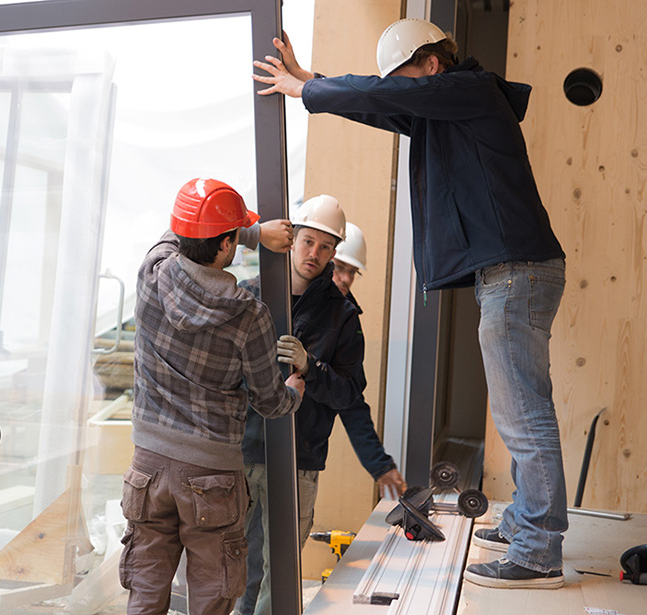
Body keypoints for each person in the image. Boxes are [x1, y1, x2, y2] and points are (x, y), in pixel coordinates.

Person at [252, 19, 567, 589]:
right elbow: (380, 106)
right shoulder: (448, 109)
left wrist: (310, 91)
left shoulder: (468, 90)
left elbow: (388, 95)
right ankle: (527, 523)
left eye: (405, 78)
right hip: (512, 273)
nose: (402, 91)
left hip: (517, 273)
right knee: (518, 410)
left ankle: (539, 550)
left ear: (430, 64)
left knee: (524, 416)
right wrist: (311, 84)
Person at [118, 178, 306, 615]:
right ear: (225, 247)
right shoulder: (248, 315)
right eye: (234, 237)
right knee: (211, 596)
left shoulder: (151, 273)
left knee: (145, 589)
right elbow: (270, 402)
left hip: (147, 465)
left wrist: (252, 231)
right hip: (211, 475)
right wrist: (296, 387)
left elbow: (180, 231)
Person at [236, 200, 406, 615]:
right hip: (239, 453)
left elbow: (351, 397)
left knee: (279, 575)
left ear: (334, 253)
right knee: (228, 563)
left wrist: (312, 368)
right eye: (308, 241)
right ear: (292, 239)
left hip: (298, 459)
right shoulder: (251, 296)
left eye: (326, 247)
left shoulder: (343, 317)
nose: (315, 253)